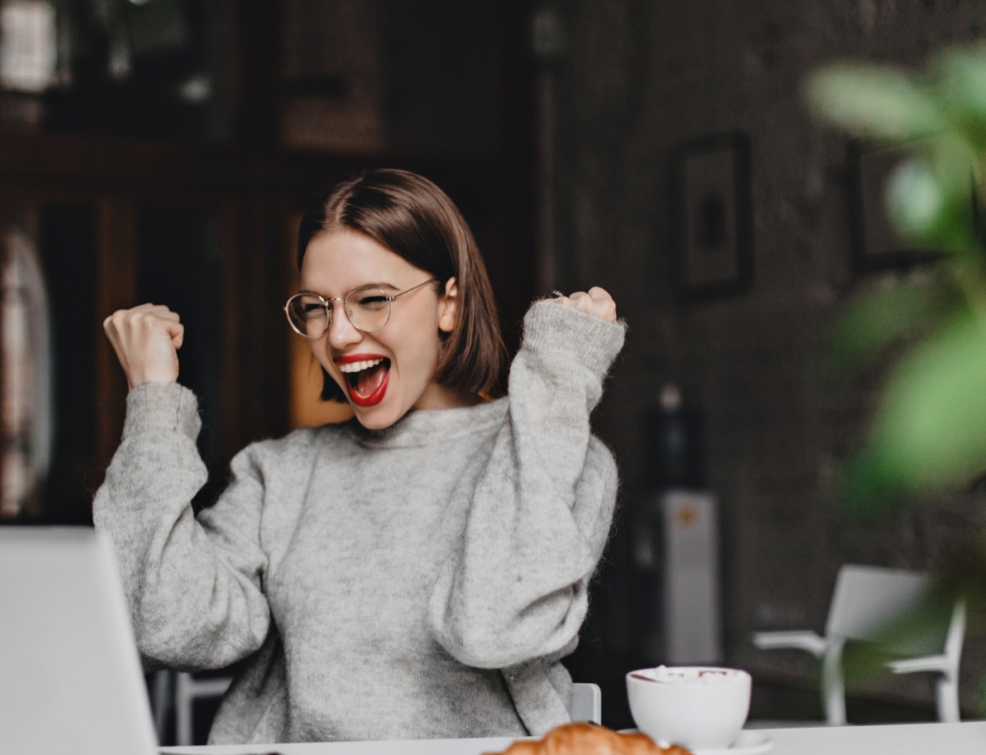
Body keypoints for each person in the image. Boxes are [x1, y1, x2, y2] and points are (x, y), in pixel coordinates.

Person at [95, 169, 624, 745]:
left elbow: (494, 628)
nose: (339, 335)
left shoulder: (556, 453)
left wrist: (556, 379)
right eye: (318, 307)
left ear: (449, 303)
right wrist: (153, 403)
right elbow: (171, 627)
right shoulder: (280, 474)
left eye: (372, 300)